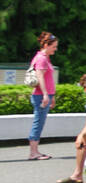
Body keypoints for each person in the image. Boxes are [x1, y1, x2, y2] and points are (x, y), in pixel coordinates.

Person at [27, 32, 58, 160]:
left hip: (45, 95)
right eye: (53, 46)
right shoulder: (41, 58)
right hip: (40, 96)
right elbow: (40, 77)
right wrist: (46, 95)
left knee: (39, 122)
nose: (55, 49)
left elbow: (48, 78)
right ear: (46, 45)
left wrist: (52, 96)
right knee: (38, 123)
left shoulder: (45, 57)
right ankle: (33, 153)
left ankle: (35, 151)